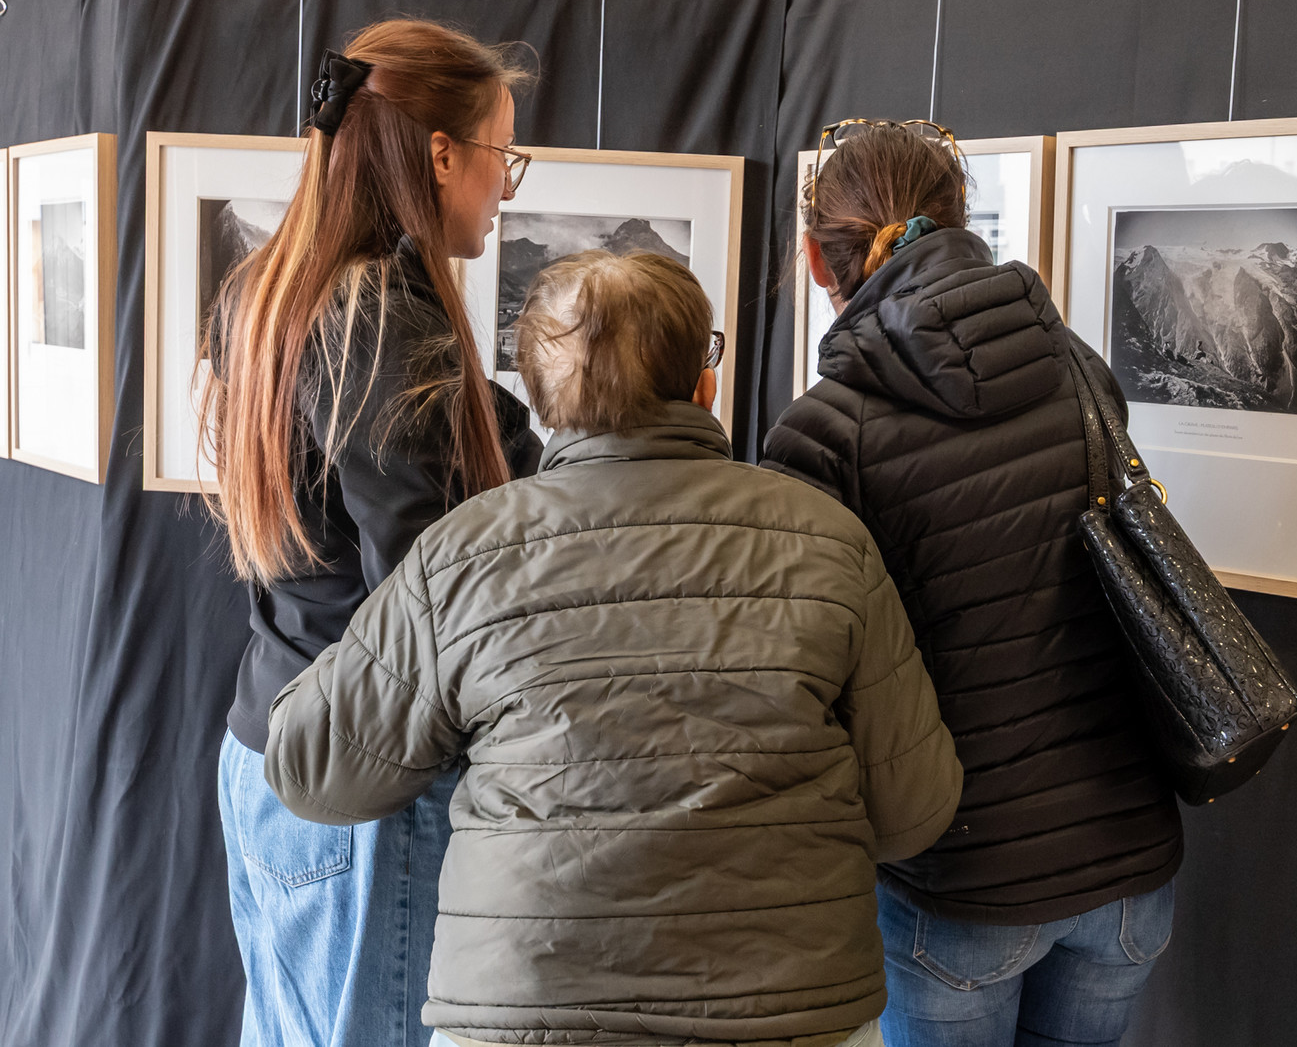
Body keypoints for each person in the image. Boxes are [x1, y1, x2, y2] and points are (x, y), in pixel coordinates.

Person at [263, 250, 966, 1047]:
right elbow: (914, 810)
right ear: (703, 383)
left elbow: (313, 770)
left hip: (529, 1013)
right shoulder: (829, 542)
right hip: (793, 1014)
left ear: (538, 401)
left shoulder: (462, 557)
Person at [763, 120, 1185, 1047]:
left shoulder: (823, 431)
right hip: (1128, 863)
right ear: (961, 224)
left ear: (817, 257)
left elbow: (804, 684)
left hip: (960, 881)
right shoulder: (1077, 367)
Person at [201, 20, 543, 1047]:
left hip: (276, 742)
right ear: (440, 153)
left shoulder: (274, 289)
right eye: (501, 155)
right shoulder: (377, 313)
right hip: (360, 783)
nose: (504, 186)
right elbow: (422, 589)